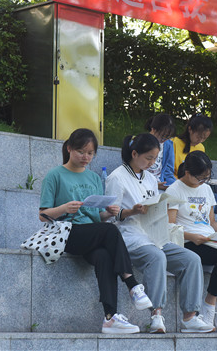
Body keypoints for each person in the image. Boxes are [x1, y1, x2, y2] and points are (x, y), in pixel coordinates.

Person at [38, 128, 152, 334]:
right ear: (69, 148)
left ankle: (110, 317)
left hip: (90, 234)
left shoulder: (93, 178)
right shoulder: (54, 175)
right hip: (67, 233)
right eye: (81, 151)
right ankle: (132, 284)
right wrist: (65, 208)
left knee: (104, 256)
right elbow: (43, 214)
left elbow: (96, 216)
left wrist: (109, 213)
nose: (86, 157)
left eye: (90, 153)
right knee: (110, 232)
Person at [105, 133, 214, 334]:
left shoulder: (150, 179)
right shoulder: (117, 177)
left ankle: (190, 317)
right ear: (134, 153)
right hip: (129, 236)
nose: (152, 163)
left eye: (155, 159)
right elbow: (109, 217)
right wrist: (131, 211)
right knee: (156, 257)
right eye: (148, 158)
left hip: (153, 234)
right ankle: (156, 316)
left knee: (191, 259)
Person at [167, 151, 217, 332]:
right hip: (189, 241)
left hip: (209, 237)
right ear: (187, 172)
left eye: (207, 177)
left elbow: (211, 222)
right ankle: (208, 305)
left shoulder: (205, 189)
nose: (204, 181)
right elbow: (170, 226)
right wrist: (192, 237)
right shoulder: (174, 190)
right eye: (200, 178)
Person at [145, 113, 177, 191]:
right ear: (153, 129)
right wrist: (154, 185)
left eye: (168, 137)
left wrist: (173, 185)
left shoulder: (168, 145)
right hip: (143, 184)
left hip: (160, 183)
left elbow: (168, 171)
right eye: (162, 136)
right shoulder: (141, 142)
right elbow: (136, 170)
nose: (164, 139)